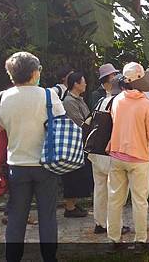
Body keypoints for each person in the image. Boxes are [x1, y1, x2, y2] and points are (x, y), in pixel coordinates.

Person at [0, 52, 62, 262]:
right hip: (45, 164)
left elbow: (0, 126)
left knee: (16, 216)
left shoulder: (3, 97)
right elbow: (60, 122)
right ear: (34, 73)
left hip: (17, 165)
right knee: (47, 215)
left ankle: (12, 258)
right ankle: (50, 258)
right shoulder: (49, 95)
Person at [106, 62, 149, 251]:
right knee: (139, 201)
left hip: (117, 155)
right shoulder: (146, 104)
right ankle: (140, 240)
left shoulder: (117, 100)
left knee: (115, 199)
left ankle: (113, 239)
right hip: (139, 158)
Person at [90, 74, 130, 235]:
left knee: (99, 189)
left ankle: (100, 223)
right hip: (111, 152)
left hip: (95, 151)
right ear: (122, 88)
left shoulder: (101, 101)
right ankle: (116, 225)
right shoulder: (120, 104)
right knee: (117, 192)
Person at [61, 72, 94, 218]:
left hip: (81, 144)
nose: (85, 84)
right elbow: (79, 123)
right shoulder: (69, 102)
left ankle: (73, 203)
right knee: (72, 176)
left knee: (79, 176)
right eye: (83, 81)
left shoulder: (79, 99)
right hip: (73, 145)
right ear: (76, 84)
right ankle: (69, 206)